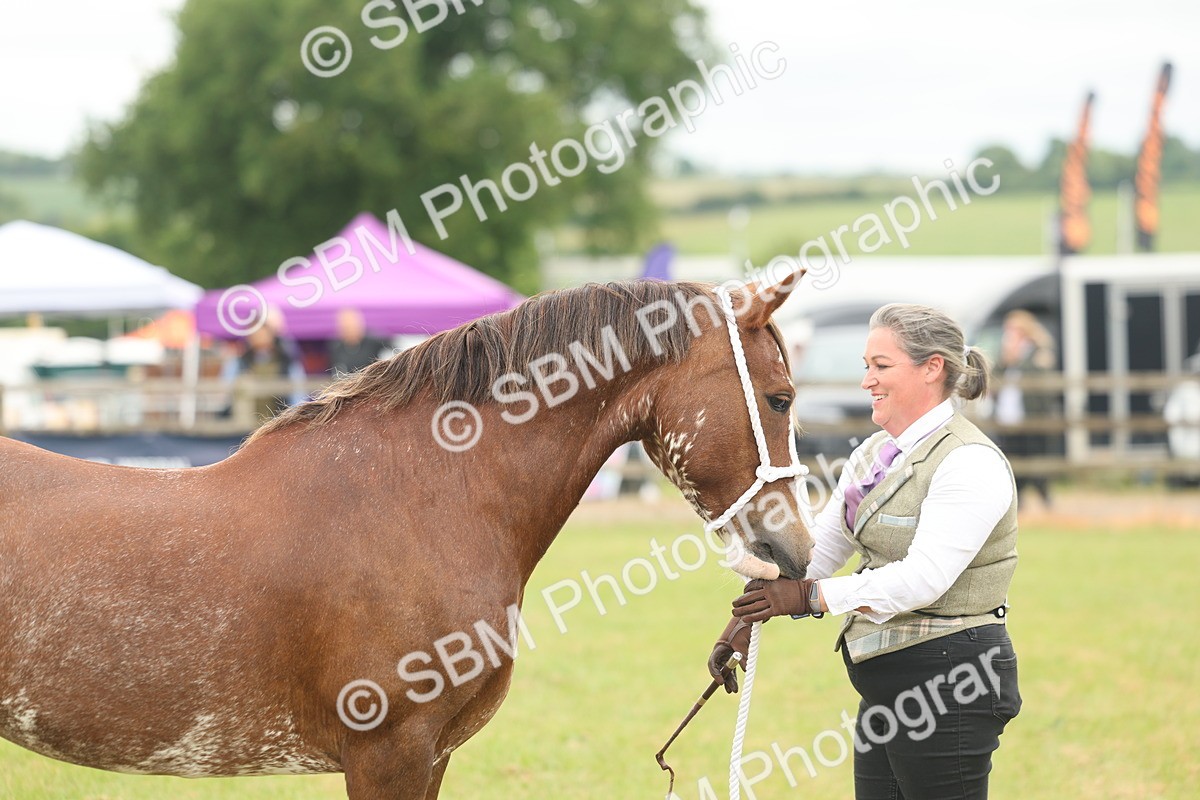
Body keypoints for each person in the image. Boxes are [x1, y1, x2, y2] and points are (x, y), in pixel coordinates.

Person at [707, 303, 1022, 800]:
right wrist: (749, 617)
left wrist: (809, 598)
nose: (866, 381)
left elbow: (924, 578)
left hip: (952, 679)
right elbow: (818, 554)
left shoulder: (969, 463)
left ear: (931, 368)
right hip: (888, 683)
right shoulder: (872, 454)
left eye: (881, 366)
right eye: (865, 366)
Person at [993, 309, 1059, 508]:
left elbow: (1042, 382)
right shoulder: (1005, 355)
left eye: (1014, 330)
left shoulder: (1038, 352)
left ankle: (1045, 499)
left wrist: (1019, 360)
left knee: (1035, 461)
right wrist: (1006, 361)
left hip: (1032, 417)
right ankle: (1018, 502)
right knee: (1012, 460)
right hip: (1007, 417)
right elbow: (994, 378)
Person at [328, 308, 390, 376]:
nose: (349, 329)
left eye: (351, 325)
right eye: (345, 326)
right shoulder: (336, 347)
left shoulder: (375, 341)